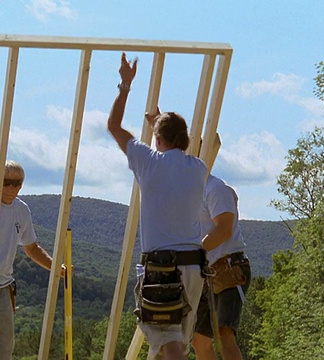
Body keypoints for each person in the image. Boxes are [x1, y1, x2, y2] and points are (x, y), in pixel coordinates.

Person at [107, 52, 207, 360]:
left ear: (157, 139)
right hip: (193, 267)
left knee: (170, 345)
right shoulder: (198, 168)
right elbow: (169, 155)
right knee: (171, 345)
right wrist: (160, 125)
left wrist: (125, 84)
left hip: (162, 268)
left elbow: (113, 125)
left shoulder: (148, 162)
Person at [0, 160, 60, 360]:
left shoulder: (22, 210)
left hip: (4, 285)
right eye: (6, 182)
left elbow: (31, 248)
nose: (11, 188)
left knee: (5, 346)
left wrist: (57, 267)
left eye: (16, 183)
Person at [192, 174, 251, 360]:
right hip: (205, 272)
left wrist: (193, 252)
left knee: (224, 334)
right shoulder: (189, 193)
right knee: (198, 338)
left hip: (229, 267)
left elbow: (224, 229)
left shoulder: (215, 188)